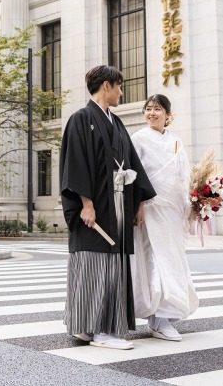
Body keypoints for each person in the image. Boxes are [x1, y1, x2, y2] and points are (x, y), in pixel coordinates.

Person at [60, 65, 156, 350]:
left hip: (118, 207)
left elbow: (133, 165)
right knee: (93, 265)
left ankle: (91, 327)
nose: (121, 92)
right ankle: (99, 330)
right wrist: (86, 203)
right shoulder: (81, 119)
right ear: (106, 86)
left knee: (111, 265)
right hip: (96, 208)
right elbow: (74, 164)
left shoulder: (116, 123)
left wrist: (138, 203)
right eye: (119, 86)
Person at [129, 94, 198, 342]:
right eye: (148, 109)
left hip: (173, 210)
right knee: (153, 261)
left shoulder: (176, 140)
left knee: (172, 260)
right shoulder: (138, 139)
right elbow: (133, 175)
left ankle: (167, 313)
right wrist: (137, 205)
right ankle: (157, 317)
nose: (152, 113)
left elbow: (185, 177)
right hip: (150, 208)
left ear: (168, 115)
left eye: (157, 109)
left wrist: (194, 203)